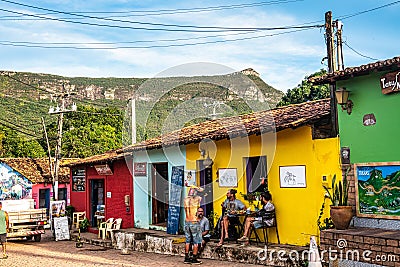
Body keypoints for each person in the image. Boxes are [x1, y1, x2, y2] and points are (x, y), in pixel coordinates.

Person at [183, 186, 203, 265]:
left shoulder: (186, 200)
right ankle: (194, 258)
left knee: (187, 241)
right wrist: (196, 188)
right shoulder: (197, 199)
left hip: (187, 221)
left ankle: (186, 257)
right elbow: (202, 190)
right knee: (196, 241)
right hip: (194, 222)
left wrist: (190, 187)